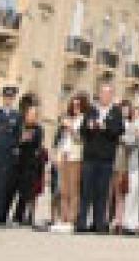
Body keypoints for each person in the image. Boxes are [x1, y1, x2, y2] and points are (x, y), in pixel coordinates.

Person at [78, 84, 124, 233]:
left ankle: (98, 223)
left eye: (108, 93)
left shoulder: (116, 112)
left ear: (111, 95)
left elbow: (119, 130)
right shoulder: (92, 110)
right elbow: (82, 130)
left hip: (106, 158)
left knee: (102, 192)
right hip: (90, 156)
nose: (105, 96)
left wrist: (106, 127)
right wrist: (89, 126)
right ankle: (82, 222)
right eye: (102, 93)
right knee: (86, 191)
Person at [54, 93, 87, 231]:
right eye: (73, 105)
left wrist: (72, 128)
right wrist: (56, 154)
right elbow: (59, 139)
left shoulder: (83, 120)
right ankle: (63, 217)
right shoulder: (67, 119)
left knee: (74, 189)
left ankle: (72, 219)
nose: (75, 108)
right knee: (63, 189)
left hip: (76, 157)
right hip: (64, 155)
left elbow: (81, 139)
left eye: (78, 105)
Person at [7, 97, 42, 226]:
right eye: (31, 114)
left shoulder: (38, 129)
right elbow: (13, 141)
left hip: (29, 164)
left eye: (35, 115)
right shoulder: (19, 125)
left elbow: (37, 146)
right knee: (10, 190)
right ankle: (3, 213)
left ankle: (19, 216)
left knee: (25, 192)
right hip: (16, 162)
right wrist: (21, 140)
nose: (33, 117)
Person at [0, 86, 21, 224]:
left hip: (6, 156)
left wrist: (12, 151)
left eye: (10, 98)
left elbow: (17, 136)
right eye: (6, 97)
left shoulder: (17, 116)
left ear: (13, 99)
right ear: (3, 98)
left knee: (2, 186)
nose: (8, 100)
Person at [118, 101, 139, 234]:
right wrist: (135, 137)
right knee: (130, 192)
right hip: (132, 164)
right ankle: (127, 221)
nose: (136, 114)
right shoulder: (130, 126)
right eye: (135, 112)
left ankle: (135, 222)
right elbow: (128, 141)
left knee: (138, 194)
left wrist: (138, 137)